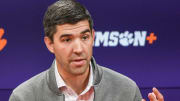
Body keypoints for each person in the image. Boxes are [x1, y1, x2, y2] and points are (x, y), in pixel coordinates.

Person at [9, 0, 164, 101]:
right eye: (67, 39)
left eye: (84, 37)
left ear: (93, 37)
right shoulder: (23, 97)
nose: (78, 49)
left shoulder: (126, 91)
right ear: (50, 44)